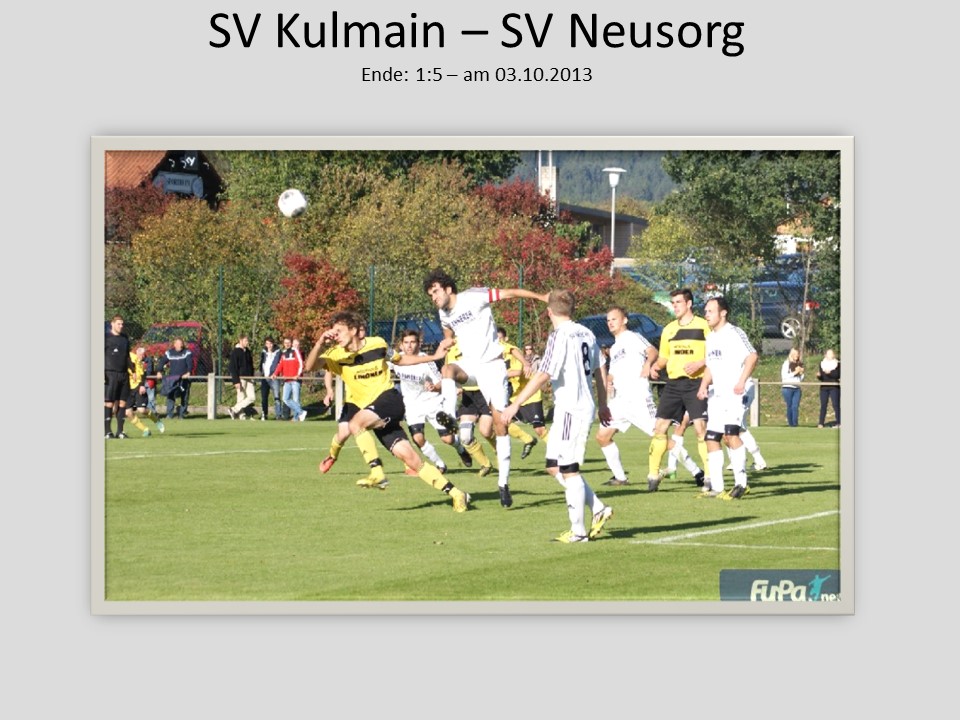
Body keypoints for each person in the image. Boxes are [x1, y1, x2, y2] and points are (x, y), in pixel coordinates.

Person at [305, 311, 472, 513]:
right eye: (334, 332)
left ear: (354, 330)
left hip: (389, 400)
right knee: (413, 461)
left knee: (355, 423)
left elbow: (401, 360)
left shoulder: (377, 344)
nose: (336, 335)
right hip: (373, 413)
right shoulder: (335, 354)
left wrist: (435, 356)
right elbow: (309, 366)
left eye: (339, 331)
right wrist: (320, 343)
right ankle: (457, 494)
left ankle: (376, 472)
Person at [423, 268, 548, 509]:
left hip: (492, 366)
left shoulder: (474, 296)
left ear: (448, 288)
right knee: (447, 370)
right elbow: (448, 331)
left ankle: (503, 483)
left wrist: (541, 297)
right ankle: (449, 416)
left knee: (501, 424)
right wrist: (447, 340)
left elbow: (511, 293)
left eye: (436, 291)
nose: (434, 297)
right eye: (431, 295)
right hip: (470, 366)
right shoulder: (443, 312)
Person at [502, 289, 613, 543]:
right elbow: (600, 368)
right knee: (553, 466)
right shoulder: (586, 332)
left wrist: (515, 404)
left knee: (569, 469)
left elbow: (543, 373)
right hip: (573, 407)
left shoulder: (559, 335)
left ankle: (579, 532)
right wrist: (603, 403)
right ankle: (598, 508)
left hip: (572, 408)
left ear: (549, 312)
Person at [647, 288, 711, 491]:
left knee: (700, 429)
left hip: (696, 383)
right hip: (673, 385)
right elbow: (664, 357)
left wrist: (700, 363)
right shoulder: (669, 329)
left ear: (689, 304)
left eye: (678, 302)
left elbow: (716, 353)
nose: (674, 306)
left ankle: (710, 476)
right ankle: (653, 476)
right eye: (673, 303)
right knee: (660, 428)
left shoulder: (704, 326)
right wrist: (655, 366)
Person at [696, 296, 759, 499]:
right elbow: (710, 366)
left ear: (723, 313)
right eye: (705, 311)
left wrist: (741, 381)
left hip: (734, 393)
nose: (706, 314)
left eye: (710, 311)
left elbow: (752, 356)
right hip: (716, 395)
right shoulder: (710, 337)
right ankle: (717, 487)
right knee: (711, 437)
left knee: (731, 434)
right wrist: (703, 385)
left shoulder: (734, 333)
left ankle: (741, 483)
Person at [388, 329, 473, 474]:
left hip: (432, 402)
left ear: (419, 343)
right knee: (418, 438)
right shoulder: (397, 359)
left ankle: (460, 449)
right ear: (401, 345)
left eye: (413, 342)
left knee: (447, 439)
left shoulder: (427, 361)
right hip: (412, 405)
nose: (409, 346)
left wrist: (434, 387)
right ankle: (440, 464)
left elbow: (442, 382)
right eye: (406, 342)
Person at [596, 306, 659, 487]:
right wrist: (609, 381)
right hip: (620, 401)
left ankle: (697, 472)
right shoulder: (615, 347)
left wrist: (648, 364)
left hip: (638, 397)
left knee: (659, 436)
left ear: (624, 320)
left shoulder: (632, 337)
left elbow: (652, 351)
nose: (610, 323)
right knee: (602, 436)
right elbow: (613, 373)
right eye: (608, 320)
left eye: (614, 319)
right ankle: (620, 478)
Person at [446, 338, 495, 478]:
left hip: (485, 392)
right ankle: (485, 464)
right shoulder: (451, 349)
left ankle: (499, 450)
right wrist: (455, 387)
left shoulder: (480, 342)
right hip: (468, 396)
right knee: (465, 436)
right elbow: (449, 373)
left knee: (486, 432)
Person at [497, 327, 540, 459]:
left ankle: (558, 455)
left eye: (500, 338)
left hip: (526, 392)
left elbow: (518, 371)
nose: (497, 341)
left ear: (506, 339)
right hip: (514, 392)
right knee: (499, 420)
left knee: (540, 428)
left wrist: (498, 374)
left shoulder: (512, 351)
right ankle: (527, 439)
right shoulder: (495, 352)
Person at [124, 346, 165, 437]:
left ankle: (156, 420)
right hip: (127, 389)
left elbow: (142, 374)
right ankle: (145, 429)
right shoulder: (118, 357)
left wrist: (142, 385)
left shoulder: (135, 359)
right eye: (141, 355)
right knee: (128, 412)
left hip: (138, 387)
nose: (142, 357)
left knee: (142, 410)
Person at [104, 315, 132, 439]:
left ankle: (120, 431)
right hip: (110, 373)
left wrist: (132, 369)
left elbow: (127, 356)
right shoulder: (105, 338)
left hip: (123, 374)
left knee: (122, 403)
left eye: (122, 324)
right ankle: (107, 432)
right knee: (109, 403)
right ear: (112, 324)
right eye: (118, 324)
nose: (121, 326)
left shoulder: (125, 338)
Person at [157, 336, 193, 420]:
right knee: (170, 396)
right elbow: (162, 362)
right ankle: (169, 415)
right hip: (173, 379)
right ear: (174, 344)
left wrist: (188, 372)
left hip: (184, 379)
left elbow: (190, 364)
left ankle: (182, 414)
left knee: (184, 396)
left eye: (181, 344)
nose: (180, 345)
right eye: (178, 344)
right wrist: (159, 371)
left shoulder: (187, 352)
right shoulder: (169, 353)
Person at [274, 336, 307, 422]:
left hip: (295, 380)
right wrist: (275, 374)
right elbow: (280, 365)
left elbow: (301, 364)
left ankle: (296, 418)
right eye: (285, 343)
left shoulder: (296, 351)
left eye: (288, 343)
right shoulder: (284, 353)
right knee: (285, 399)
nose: (287, 344)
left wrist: (298, 375)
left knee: (296, 399)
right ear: (283, 344)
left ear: (291, 343)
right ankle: (301, 412)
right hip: (287, 380)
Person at [226, 335, 257, 420]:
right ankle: (241, 415)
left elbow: (251, 365)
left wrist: (252, 377)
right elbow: (233, 368)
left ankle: (233, 409)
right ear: (240, 341)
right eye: (245, 341)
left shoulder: (248, 351)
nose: (247, 342)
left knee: (252, 397)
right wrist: (236, 381)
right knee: (241, 397)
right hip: (241, 378)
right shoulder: (235, 352)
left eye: (247, 340)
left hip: (249, 378)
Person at [258, 336, 283, 421]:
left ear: (273, 344)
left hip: (273, 378)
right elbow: (262, 363)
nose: (269, 345)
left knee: (277, 396)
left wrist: (274, 373)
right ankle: (264, 414)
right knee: (264, 397)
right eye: (267, 343)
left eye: (270, 343)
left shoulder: (278, 352)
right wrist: (261, 372)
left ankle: (278, 415)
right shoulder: (264, 352)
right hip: (264, 378)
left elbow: (278, 363)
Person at [816, 348, 841, 428]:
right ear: (825, 355)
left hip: (834, 386)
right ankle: (821, 423)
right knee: (823, 405)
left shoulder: (837, 364)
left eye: (831, 353)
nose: (830, 355)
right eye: (828, 354)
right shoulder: (822, 363)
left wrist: (829, 373)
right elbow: (822, 377)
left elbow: (837, 375)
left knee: (836, 405)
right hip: (824, 387)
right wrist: (819, 376)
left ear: (833, 355)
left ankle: (839, 422)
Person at [780, 347, 804, 427]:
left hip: (797, 388)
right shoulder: (786, 363)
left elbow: (800, 379)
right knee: (789, 406)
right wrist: (795, 372)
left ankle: (795, 423)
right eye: (795, 354)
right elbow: (784, 376)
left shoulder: (799, 364)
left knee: (795, 406)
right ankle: (791, 424)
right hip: (787, 388)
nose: (797, 356)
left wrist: (801, 373)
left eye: (798, 354)